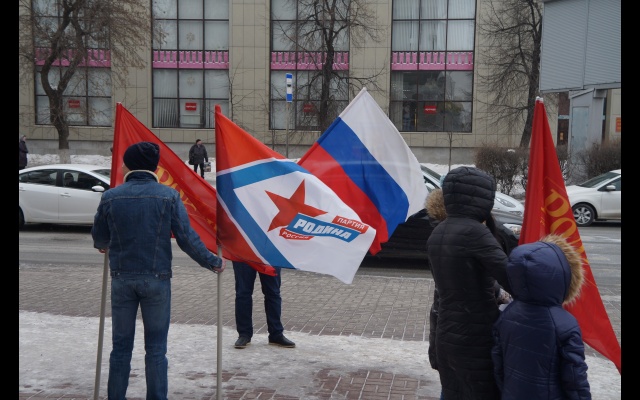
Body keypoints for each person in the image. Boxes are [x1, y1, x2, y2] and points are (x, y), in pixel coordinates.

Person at [91, 141, 225, 400]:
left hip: (121, 280)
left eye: (124, 162)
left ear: (131, 166)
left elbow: (99, 237)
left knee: (120, 348)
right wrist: (212, 261)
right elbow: (186, 238)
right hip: (157, 280)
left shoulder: (111, 196)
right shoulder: (168, 196)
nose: (121, 166)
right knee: (155, 349)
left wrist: (104, 244)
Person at [426, 166, 512, 400]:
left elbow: (458, 279)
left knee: (454, 392)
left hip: (446, 330)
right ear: (482, 197)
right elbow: (511, 277)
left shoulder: (438, 232)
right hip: (475, 334)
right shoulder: (475, 233)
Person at [492, 234, 592, 399]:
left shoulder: (507, 314)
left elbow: (498, 364)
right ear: (562, 277)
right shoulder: (565, 324)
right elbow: (575, 378)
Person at [232, 261, 296, 349]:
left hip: (270, 255)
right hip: (244, 255)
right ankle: (244, 334)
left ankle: (276, 334)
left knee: (273, 293)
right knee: (243, 293)